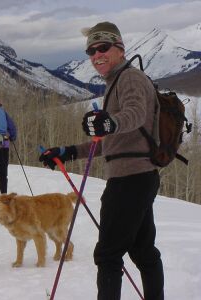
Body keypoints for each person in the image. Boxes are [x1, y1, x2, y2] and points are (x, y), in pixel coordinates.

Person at [39, 22, 164, 300]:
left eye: (103, 47)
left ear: (119, 48)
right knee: (143, 251)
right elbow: (112, 140)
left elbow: (134, 113)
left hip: (130, 180)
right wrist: (68, 151)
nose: (97, 55)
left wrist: (110, 121)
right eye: (91, 50)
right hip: (138, 177)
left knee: (108, 255)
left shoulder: (130, 78)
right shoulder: (116, 81)